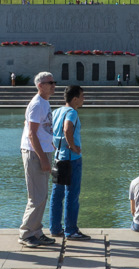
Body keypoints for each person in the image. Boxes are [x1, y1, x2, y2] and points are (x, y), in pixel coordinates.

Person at [19, 72, 58, 247]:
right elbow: (31, 133)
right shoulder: (36, 104)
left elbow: (42, 130)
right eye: (50, 82)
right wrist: (43, 158)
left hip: (42, 151)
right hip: (34, 153)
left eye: (54, 82)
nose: (54, 85)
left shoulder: (44, 102)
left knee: (42, 195)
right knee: (36, 196)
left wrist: (50, 146)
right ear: (40, 85)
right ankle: (26, 233)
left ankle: (36, 231)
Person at [50, 86, 89, 240]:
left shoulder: (57, 111)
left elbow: (49, 129)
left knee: (57, 194)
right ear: (75, 99)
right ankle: (71, 230)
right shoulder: (72, 112)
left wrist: (54, 144)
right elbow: (67, 129)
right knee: (72, 195)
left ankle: (55, 228)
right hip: (72, 159)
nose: (83, 99)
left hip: (58, 158)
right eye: (82, 96)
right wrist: (73, 147)